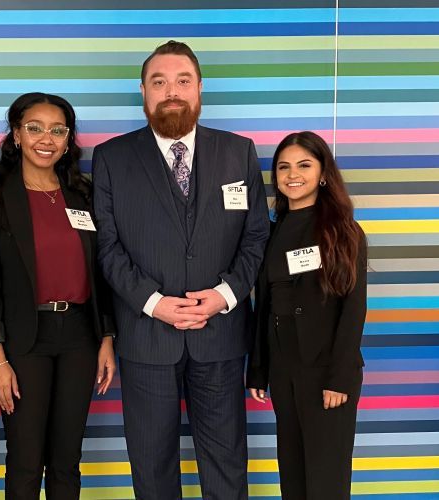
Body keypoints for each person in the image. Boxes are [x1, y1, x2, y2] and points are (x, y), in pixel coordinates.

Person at [92, 40, 269, 499]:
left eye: (182, 81)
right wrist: (154, 304)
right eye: (160, 82)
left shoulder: (239, 153)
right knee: (151, 468)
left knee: (226, 464)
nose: (172, 91)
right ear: (144, 91)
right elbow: (107, 248)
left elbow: (255, 238)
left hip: (221, 335)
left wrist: (224, 296)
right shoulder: (112, 159)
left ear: (200, 89)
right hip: (146, 339)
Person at [0, 92, 116, 500]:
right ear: (16, 135)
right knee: (25, 459)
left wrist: (106, 336)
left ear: (69, 139)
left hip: (80, 336)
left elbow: (101, 274)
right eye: (34, 128)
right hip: (23, 339)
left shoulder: (83, 194)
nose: (46, 139)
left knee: (67, 459)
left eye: (58, 130)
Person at [246, 131, 367, 500]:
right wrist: (260, 369)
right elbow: (264, 304)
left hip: (326, 373)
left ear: (323, 173)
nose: (292, 174)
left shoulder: (343, 230)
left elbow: (353, 307)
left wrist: (340, 377)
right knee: (294, 478)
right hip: (285, 370)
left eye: (303, 165)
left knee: (325, 482)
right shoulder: (272, 229)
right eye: (283, 167)